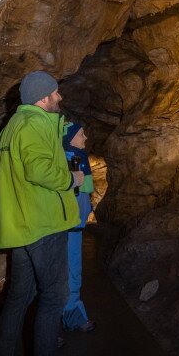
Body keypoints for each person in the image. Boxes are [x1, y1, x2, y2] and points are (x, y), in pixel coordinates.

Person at [0, 70, 90, 356]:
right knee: (52, 299)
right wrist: (71, 177)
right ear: (43, 98)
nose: (59, 98)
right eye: (55, 93)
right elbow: (39, 170)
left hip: (22, 227)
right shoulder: (33, 125)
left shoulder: (10, 128)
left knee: (18, 298)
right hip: (42, 226)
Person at [62, 122, 97, 333]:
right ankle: (70, 317)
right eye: (81, 134)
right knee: (69, 274)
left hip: (72, 227)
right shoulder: (70, 160)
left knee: (68, 274)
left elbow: (83, 193)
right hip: (66, 229)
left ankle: (59, 321)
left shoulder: (78, 159)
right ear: (70, 138)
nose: (85, 138)